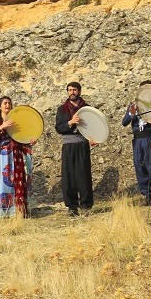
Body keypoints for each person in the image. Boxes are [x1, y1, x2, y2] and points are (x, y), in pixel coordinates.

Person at [0, 96, 34, 218]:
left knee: (17, 181)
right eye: (5, 103)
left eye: (9, 103)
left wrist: (29, 142)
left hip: (15, 156)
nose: (7, 105)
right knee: (0, 182)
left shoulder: (16, 120)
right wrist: (1, 127)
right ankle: (0, 212)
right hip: (0, 157)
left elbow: (22, 138)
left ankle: (17, 213)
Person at [55, 82, 94, 217]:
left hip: (82, 145)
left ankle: (86, 205)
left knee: (83, 175)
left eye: (74, 90)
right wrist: (70, 123)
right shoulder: (62, 110)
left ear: (79, 91)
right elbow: (59, 128)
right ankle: (72, 207)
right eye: (70, 90)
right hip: (68, 146)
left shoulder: (87, 109)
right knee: (69, 176)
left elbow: (93, 127)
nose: (72, 92)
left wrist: (92, 138)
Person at [123, 81, 151, 207]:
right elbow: (124, 122)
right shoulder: (133, 106)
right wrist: (131, 113)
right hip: (137, 139)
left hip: (150, 136)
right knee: (139, 166)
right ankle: (145, 195)